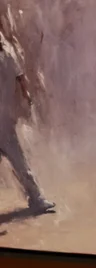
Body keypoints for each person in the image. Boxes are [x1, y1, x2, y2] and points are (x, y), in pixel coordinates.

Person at [0, 26, 54, 215]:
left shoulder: (7, 53)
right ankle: (37, 199)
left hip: (5, 121)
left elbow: (20, 77)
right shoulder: (6, 53)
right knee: (19, 162)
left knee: (20, 162)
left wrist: (26, 95)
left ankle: (37, 199)